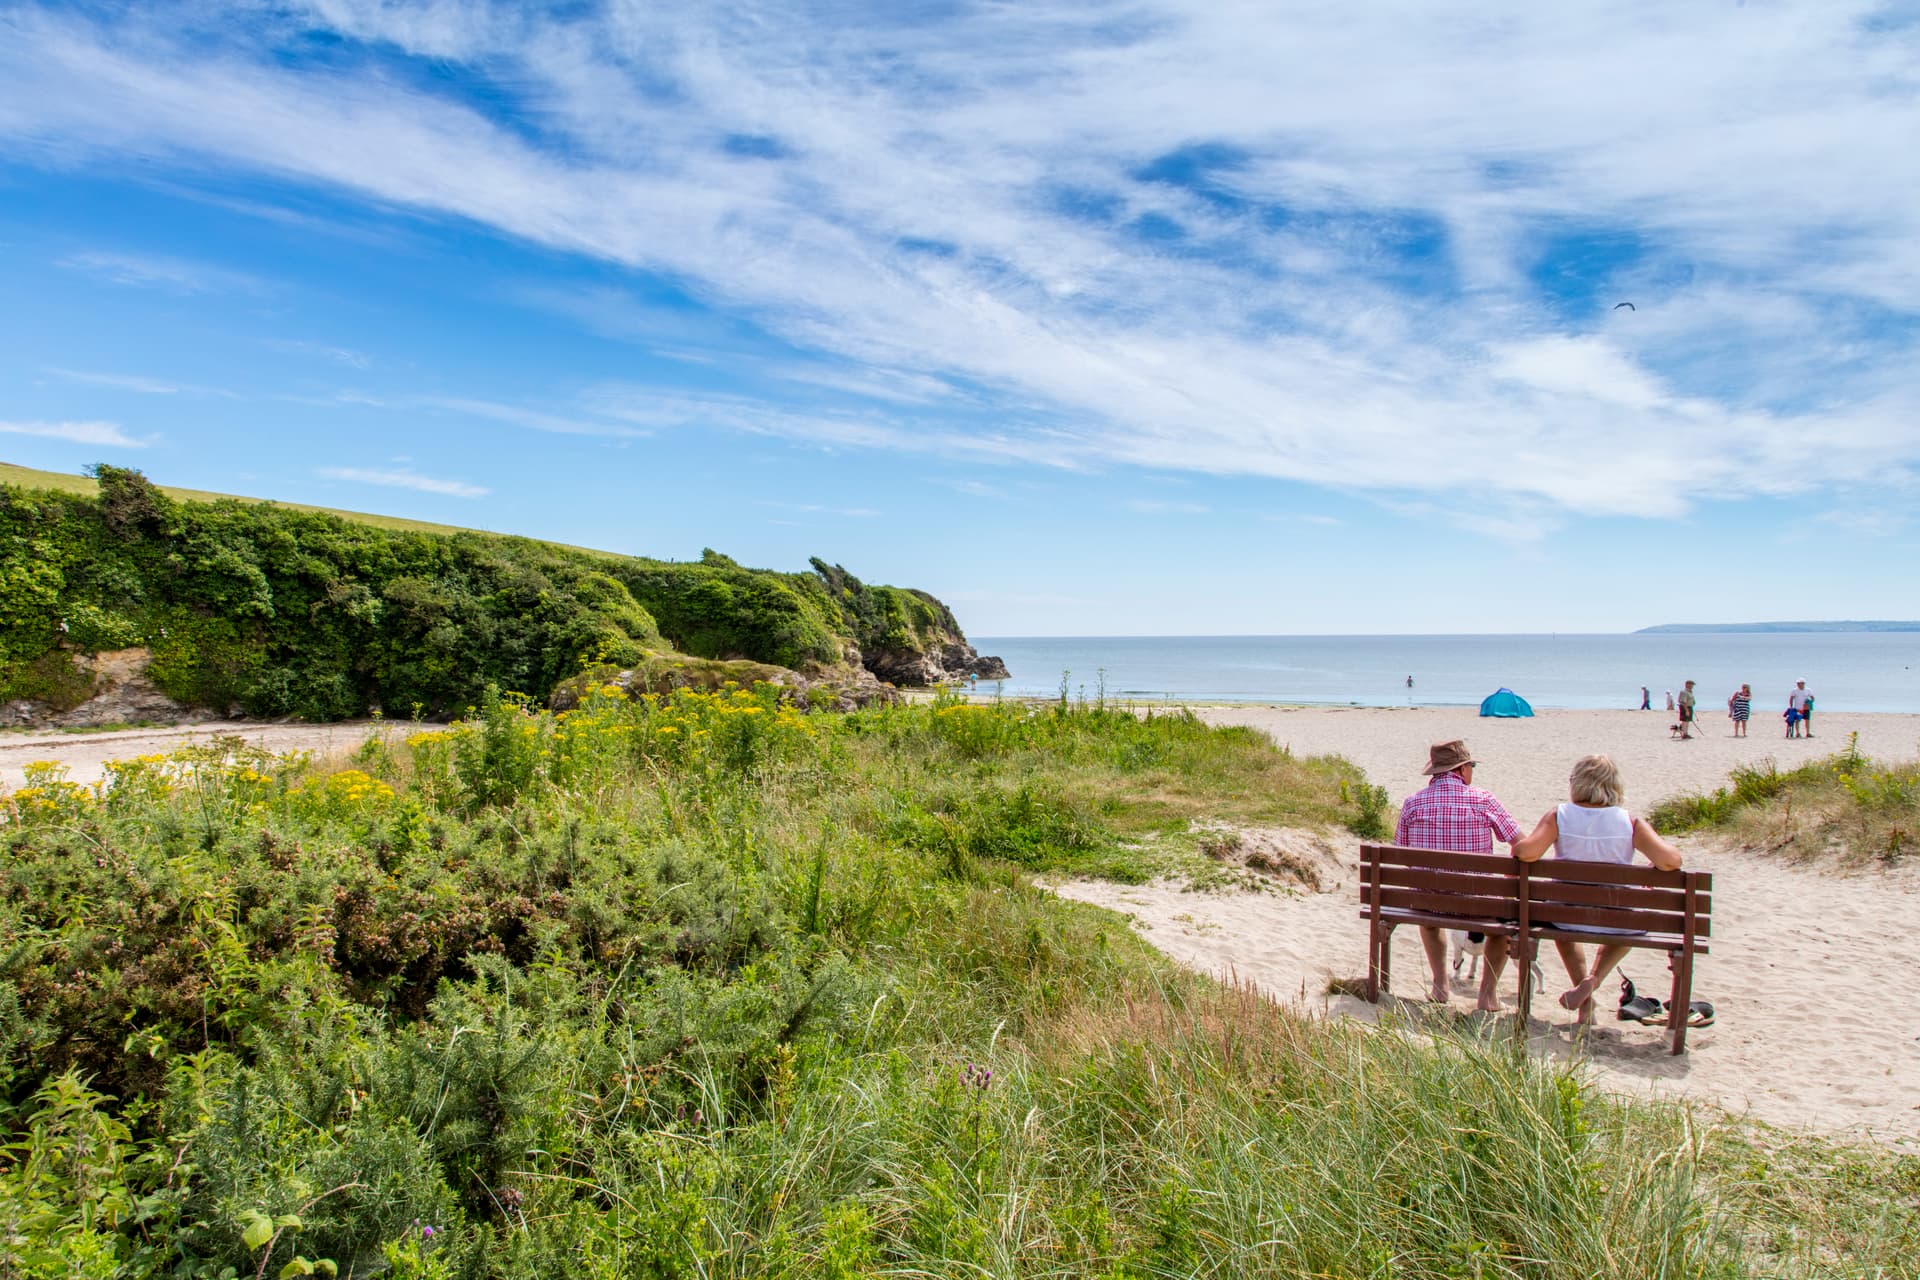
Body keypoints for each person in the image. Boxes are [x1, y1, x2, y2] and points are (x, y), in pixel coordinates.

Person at [1511, 755, 1683, 1025]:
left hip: (1566, 916)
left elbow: (1526, 852)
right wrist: (1653, 864)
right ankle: (1593, 981)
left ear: (1576, 783)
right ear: (1614, 786)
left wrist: (1521, 847)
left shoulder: (1559, 816)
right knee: (1625, 925)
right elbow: (1672, 860)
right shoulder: (1630, 822)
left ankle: (1586, 998)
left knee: (1561, 926)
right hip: (1621, 919)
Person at [1394, 739, 1526, 1011]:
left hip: (1428, 901)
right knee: (1500, 929)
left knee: (1430, 920)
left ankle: (1440, 984)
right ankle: (1487, 995)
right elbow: (1521, 843)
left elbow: (1400, 852)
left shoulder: (1412, 803)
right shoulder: (1483, 799)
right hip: (1478, 903)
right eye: (1472, 766)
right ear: (1463, 769)